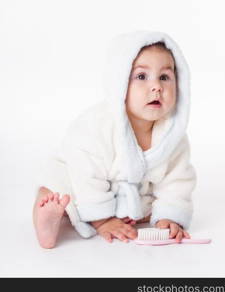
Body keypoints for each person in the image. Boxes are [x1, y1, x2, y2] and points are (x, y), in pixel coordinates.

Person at [33, 30, 196, 249]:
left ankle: (127, 210)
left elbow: (176, 180)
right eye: (141, 76)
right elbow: (86, 172)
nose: (156, 86)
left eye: (165, 77)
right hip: (80, 179)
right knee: (54, 189)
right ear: (118, 84)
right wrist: (102, 219)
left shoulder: (172, 135)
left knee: (149, 206)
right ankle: (47, 221)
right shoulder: (96, 125)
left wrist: (170, 214)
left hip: (128, 195)